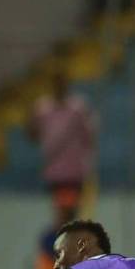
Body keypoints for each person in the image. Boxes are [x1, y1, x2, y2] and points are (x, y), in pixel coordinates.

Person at [27, 69, 97, 212]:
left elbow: (89, 137)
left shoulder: (79, 108)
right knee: (61, 212)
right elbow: (32, 135)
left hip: (74, 171)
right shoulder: (42, 108)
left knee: (71, 212)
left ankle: (69, 231)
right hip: (54, 171)